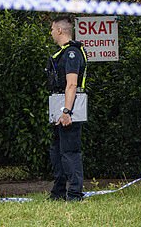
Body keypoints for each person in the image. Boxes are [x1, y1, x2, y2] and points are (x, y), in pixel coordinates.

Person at [46, 15, 88, 201]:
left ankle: (75, 194)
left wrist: (66, 112)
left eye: (52, 29)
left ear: (60, 30)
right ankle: (59, 192)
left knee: (70, 151)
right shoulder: (63, 52)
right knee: (57, 151)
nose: (51, 33)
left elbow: (72, 84)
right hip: (59, 104)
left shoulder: (72, 53)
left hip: (68, 107)